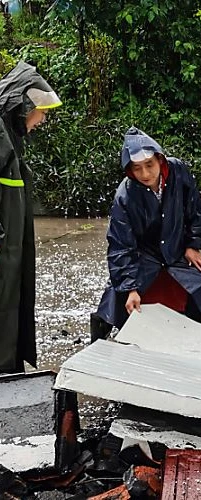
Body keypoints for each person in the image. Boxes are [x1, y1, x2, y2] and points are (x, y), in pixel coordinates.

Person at [90, 127, 201, 341]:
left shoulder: (178, 171)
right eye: (137, 168)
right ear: (129, 170)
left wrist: (193, 245)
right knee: (115, 299)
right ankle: (106, 336)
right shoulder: (125, 195)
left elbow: (195, 209)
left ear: (160, 160)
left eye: (149, 165)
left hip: (175, 249)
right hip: (144, 255)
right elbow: (120, 245)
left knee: (198, 285)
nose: (145, 174)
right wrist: (130, 288)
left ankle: (191, 330)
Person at [0, 62, 62, 374]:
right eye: (41, 111)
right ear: (24, 105)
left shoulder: (11, 140)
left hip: (10, 260)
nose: (43, 119)